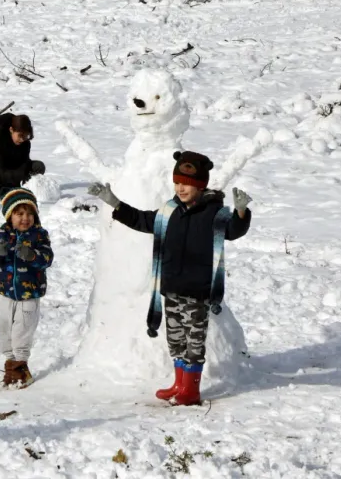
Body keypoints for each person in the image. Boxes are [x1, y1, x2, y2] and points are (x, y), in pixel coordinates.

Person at [88, 151, 253, 406]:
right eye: (177, 182)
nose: (180, 188)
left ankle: (192, 390)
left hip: (197, 291)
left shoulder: (213, 213)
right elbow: (143, 220)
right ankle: (179, 383)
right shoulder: (169, 211)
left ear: (200, 185)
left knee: (194, 342)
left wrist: (241, 212)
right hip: (172, 288)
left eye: (186, 183)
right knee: (175, 340)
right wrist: (114, 203)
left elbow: (232, 230)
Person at [0, 188, 53, 387]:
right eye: (19, 213)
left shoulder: (39, 236)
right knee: (5, 333)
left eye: (30, 213)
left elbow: (47, 258)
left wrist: (32, 255)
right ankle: (11, 366)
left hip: (29, 293)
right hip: (7, 293)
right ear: (9, 216)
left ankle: (20, 370)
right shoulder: (3, 234)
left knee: (21, 333)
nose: (25, 218)